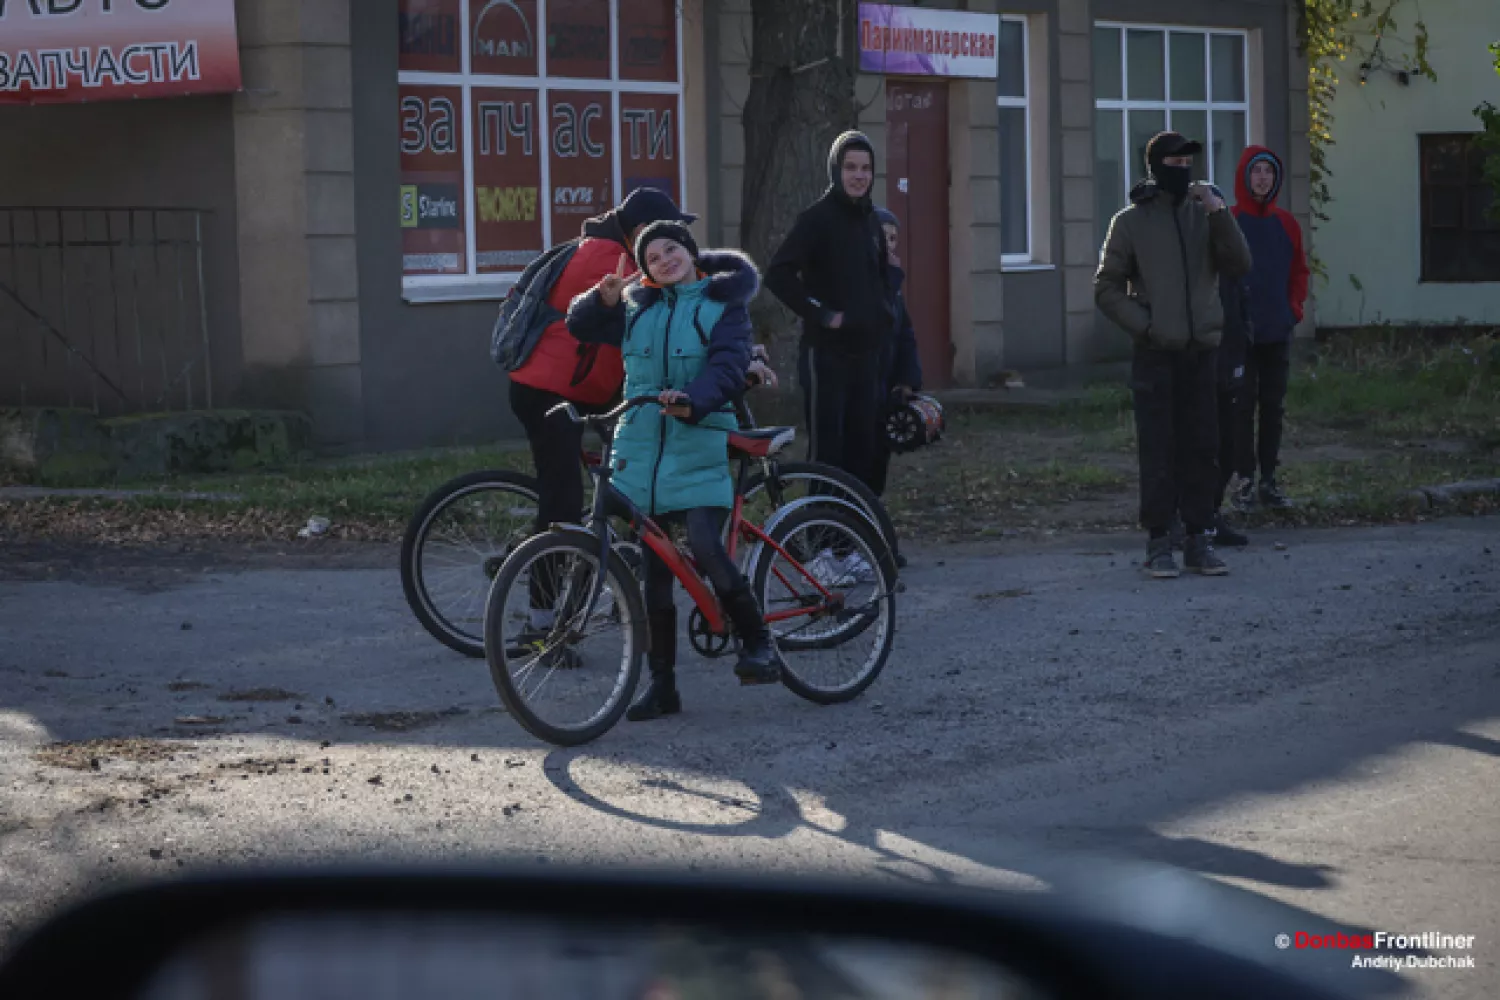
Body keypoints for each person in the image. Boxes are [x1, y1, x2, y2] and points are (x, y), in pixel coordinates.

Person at [567, 221, 781, 721]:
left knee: (705, 543)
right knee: (654, 578)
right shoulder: (634, 308)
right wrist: (601, 298)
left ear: (690, 251)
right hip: (641, 451)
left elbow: (729, 367)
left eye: (672, 249)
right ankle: (663, 686)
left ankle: (758, 641)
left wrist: (695, 400)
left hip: (698, 440)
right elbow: (579, 327)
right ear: (645, 271)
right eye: (653, 257)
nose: (665, 260)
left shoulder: (721, 304)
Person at [507, 187, 697, 643]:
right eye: (660, 235)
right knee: (563, 502)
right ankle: (542, 621)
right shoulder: (608, 258)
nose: (667, 245)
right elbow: (652, 301)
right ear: (637, 232)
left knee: (625, 468)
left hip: (580, 388)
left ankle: (616, 569)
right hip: (548, 392)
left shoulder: (615, 251)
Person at [1094, 131, 1253, 579]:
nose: (1183, 171)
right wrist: (1146, 326)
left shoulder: (1206, 217)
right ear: (1156, 166)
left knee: (1203, 447)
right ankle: (1159, 539)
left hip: (1202, 352)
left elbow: (1240, 264)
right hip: (1156, 354)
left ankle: (1199, 538)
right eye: (1174, 163)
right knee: (1159, 449)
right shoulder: (1131, 221)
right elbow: (1106, 287)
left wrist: (1220, 213)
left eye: (1189, 164)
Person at [764, 131, 896, 495]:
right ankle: (819, 545)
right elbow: (778, 274)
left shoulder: (871, 220)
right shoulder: (817, 218)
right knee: (828, 456)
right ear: (836, 171)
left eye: (866, 168)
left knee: (864, 451)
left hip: (868, 356)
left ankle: (851, 542)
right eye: (850, 167)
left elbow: (882, 278)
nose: (859, 175)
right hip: (826, 356)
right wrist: (823, 315)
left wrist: (884, 315)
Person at [1229, 146, 1309, 512]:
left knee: (1273, 408)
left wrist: (1293, 310)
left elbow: (1299, 273)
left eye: (1269, 172)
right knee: (1241, 408)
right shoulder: (1229, 221)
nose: (1263, 178)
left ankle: (1268, 481)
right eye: (1256, 171)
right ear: (1245, 176)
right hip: (1240, 335)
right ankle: (1243, 480)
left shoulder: (1286, 224)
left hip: (1277, 331)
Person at [870, 206, 923, 501]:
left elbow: (905, 334)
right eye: (883, 237)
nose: (889, 245)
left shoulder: (894, 282)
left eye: (893, 239)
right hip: (861, 382)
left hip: (886, 386)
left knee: (879, 460)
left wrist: (907, 380)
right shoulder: (865, 277)